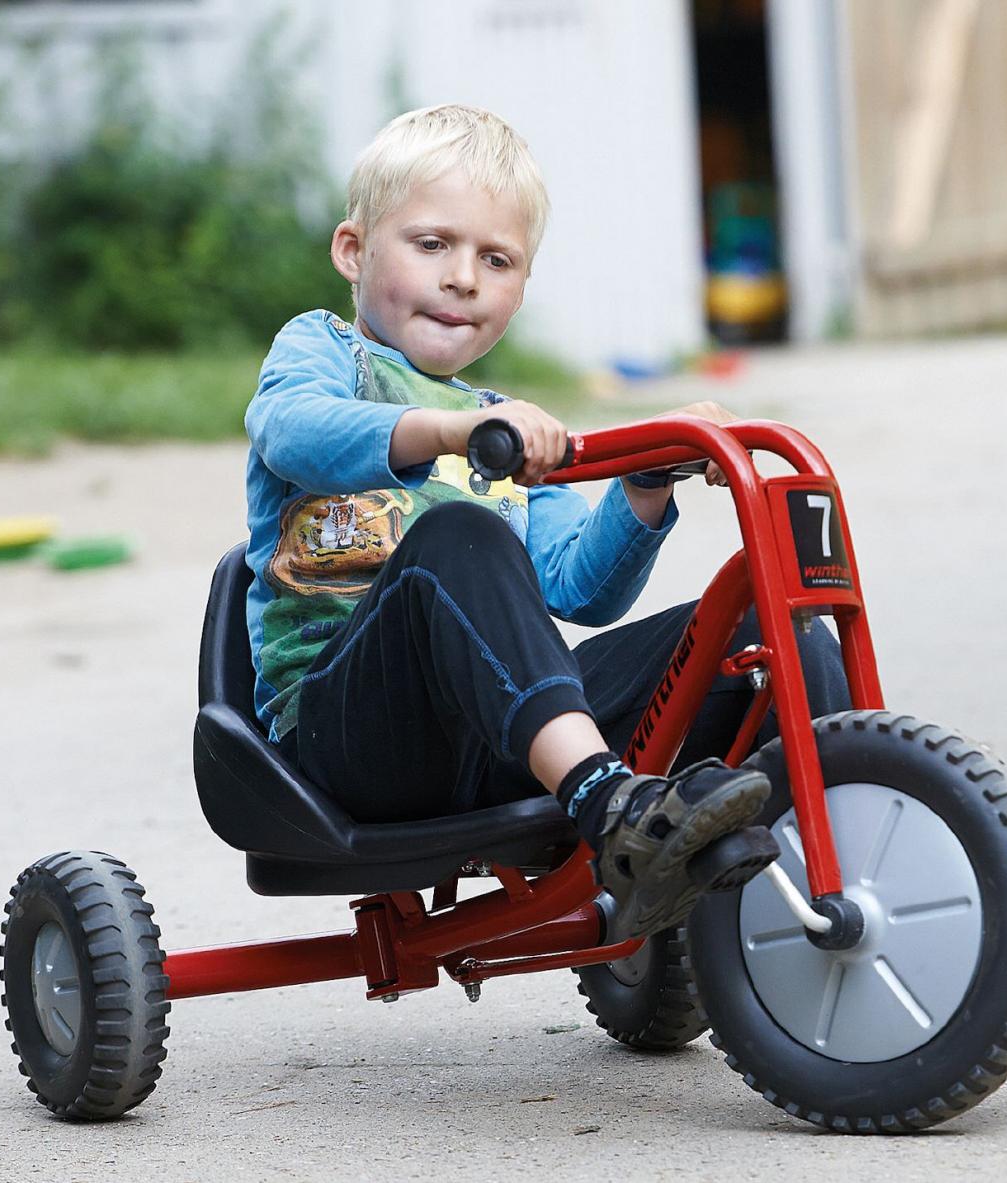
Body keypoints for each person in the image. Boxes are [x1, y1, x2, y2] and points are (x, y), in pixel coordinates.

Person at [243, 105, 848, 941]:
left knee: (765, 634)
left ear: (521, 287)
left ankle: (844, 858)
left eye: (496, 260)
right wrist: (449, 433)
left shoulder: (502, 421)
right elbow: (293, 430)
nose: (463, 277)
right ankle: (610, 806)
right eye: (432, 244)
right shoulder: (324, 354)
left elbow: (577, 586)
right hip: (350, 737)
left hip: (504, 737)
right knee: (459, 535)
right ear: (354, 250)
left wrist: (646, 478)